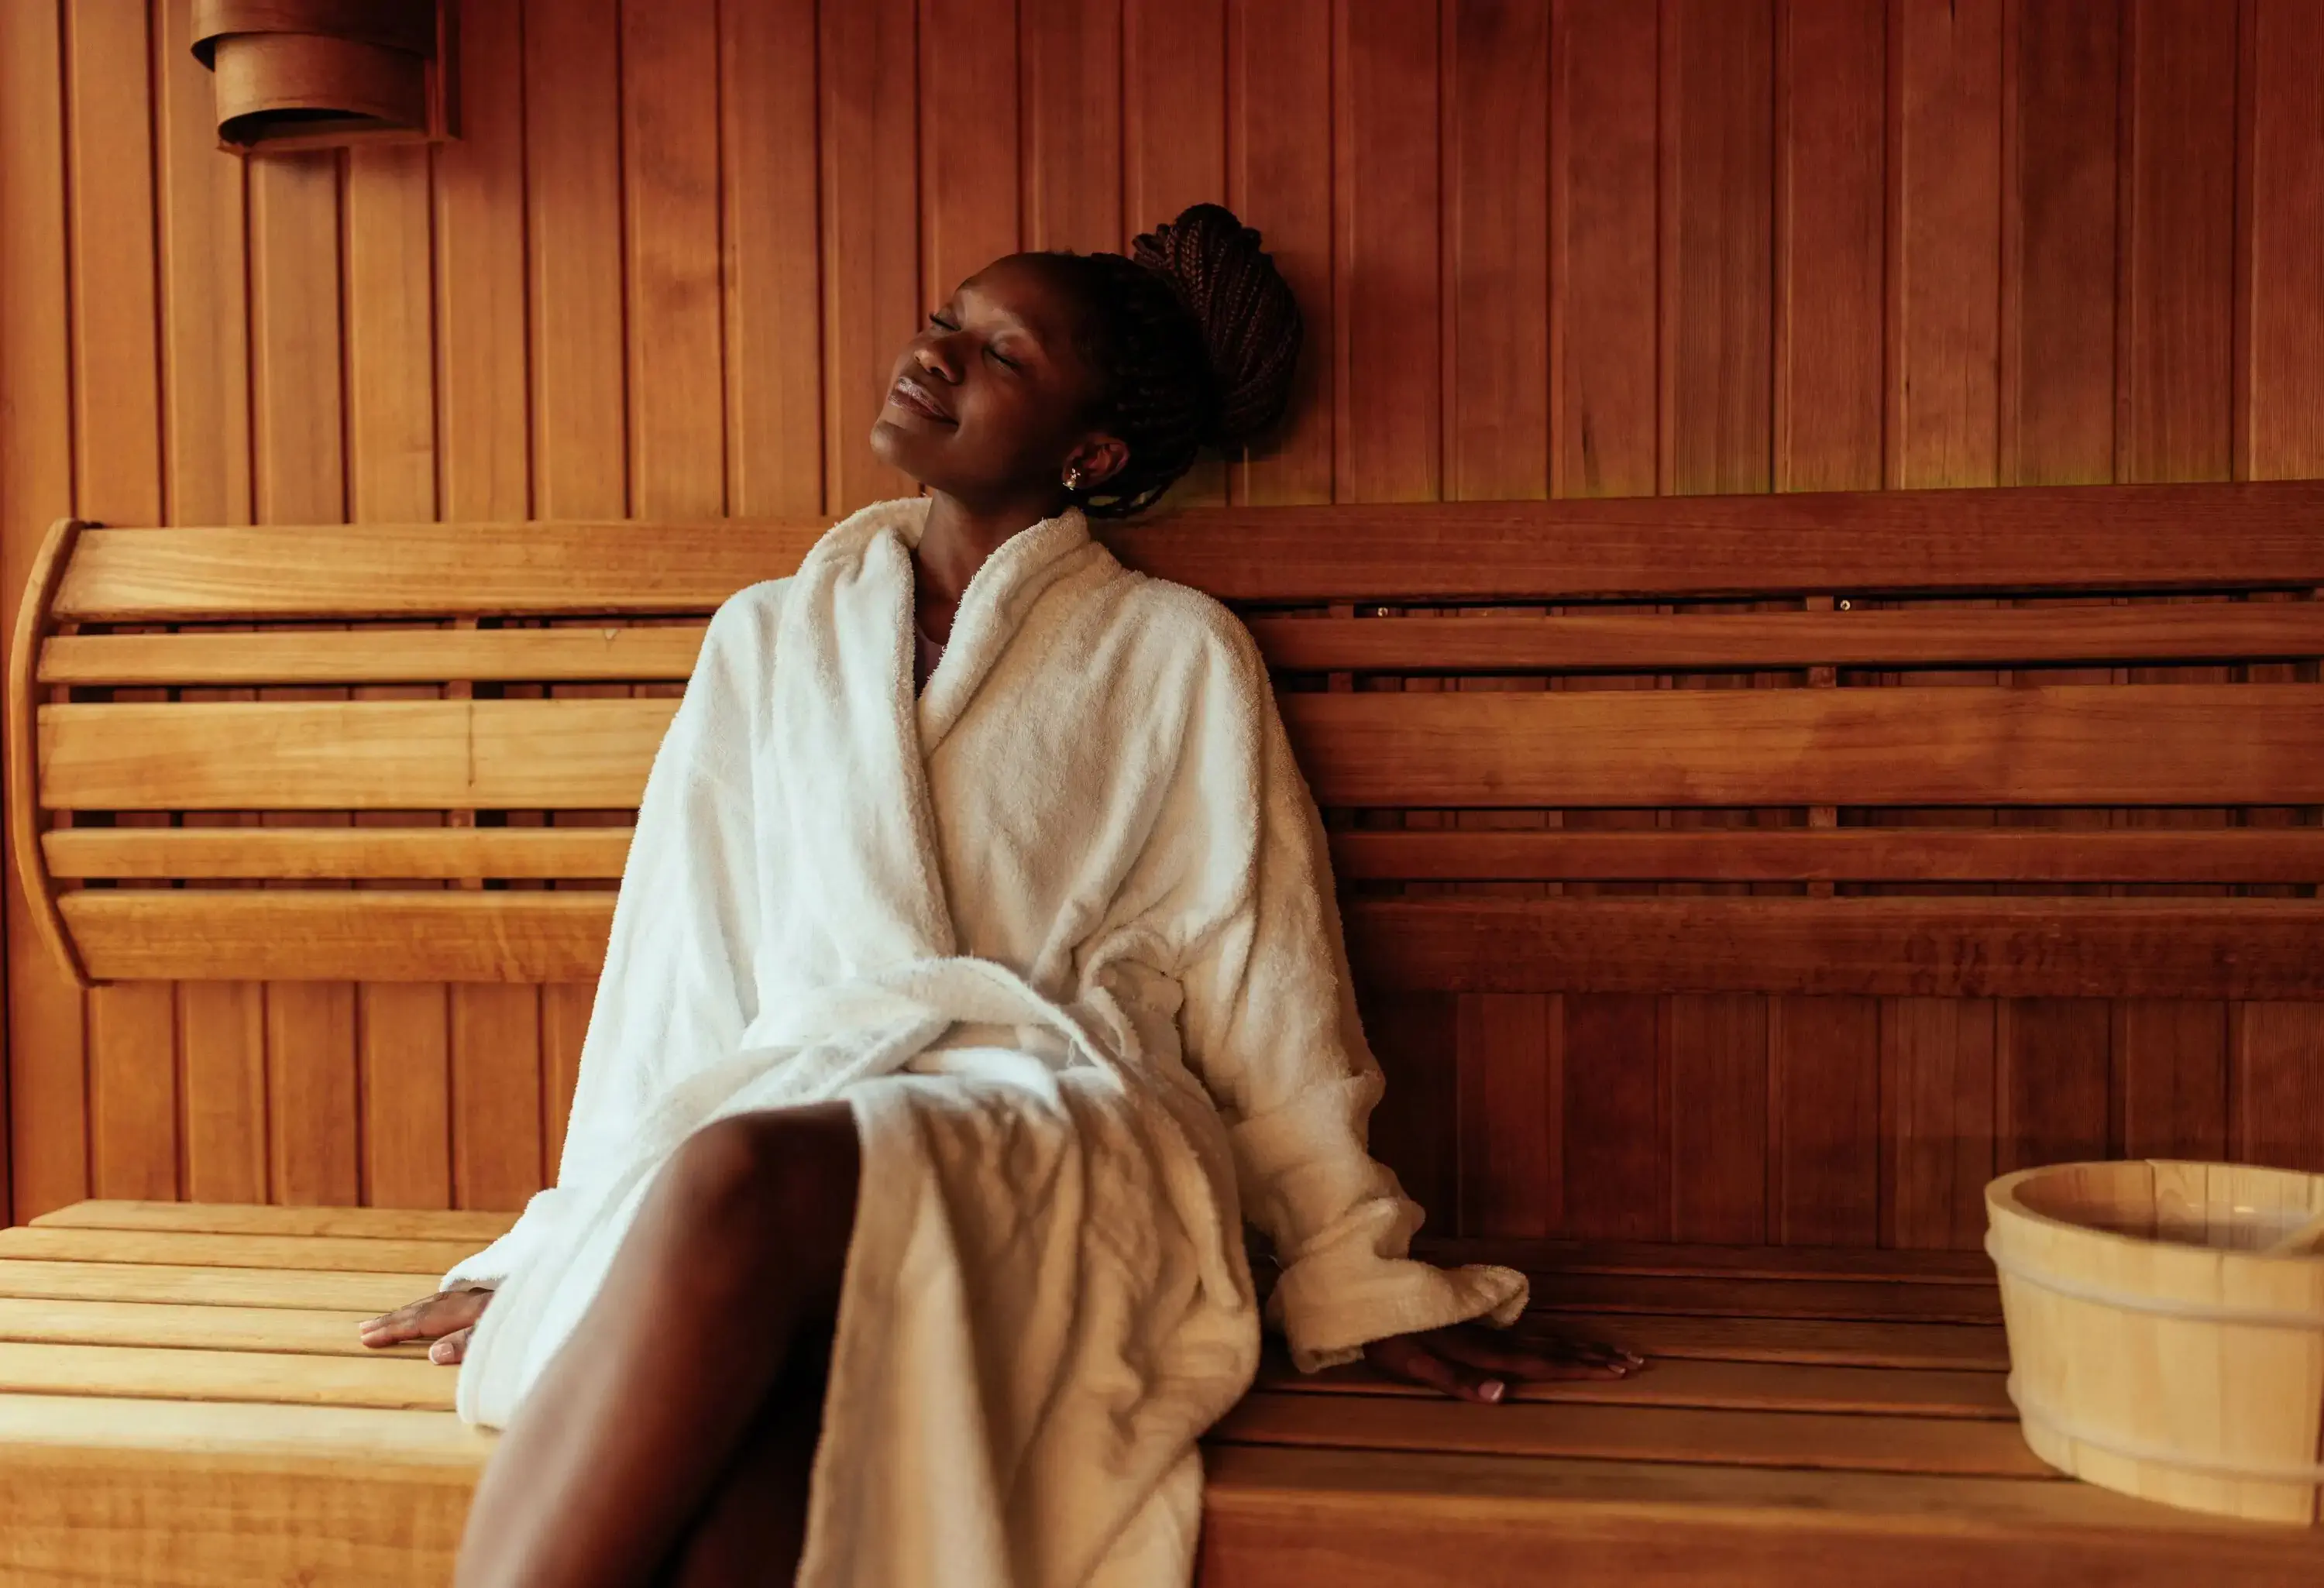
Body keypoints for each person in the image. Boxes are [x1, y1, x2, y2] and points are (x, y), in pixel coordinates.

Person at [358, 203, 1642, 1588]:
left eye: (1001, 353)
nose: (936, 354)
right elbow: (681, 967)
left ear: (1091, 454)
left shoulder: (1173, 652)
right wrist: (571, 1234)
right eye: (945, 321)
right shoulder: (770, 638)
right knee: (749, 1471)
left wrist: (1351, 1266)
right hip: (815, 1118)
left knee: (735, 1173)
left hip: (1061, 1127)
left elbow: (1263, 978)